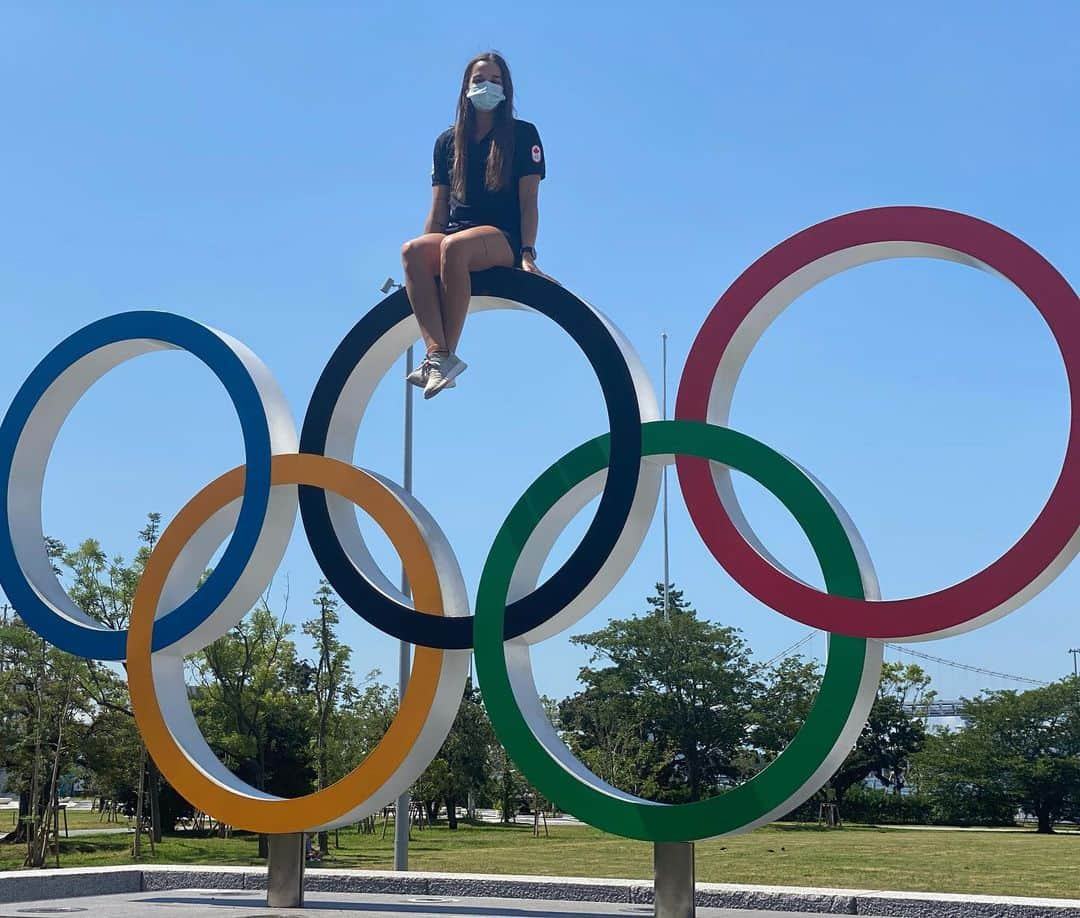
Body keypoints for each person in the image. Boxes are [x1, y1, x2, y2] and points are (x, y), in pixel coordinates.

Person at [400, 51, 547, 399]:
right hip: (455, 232)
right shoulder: (447, 142)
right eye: (479, 79)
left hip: (502, 237)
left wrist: (527, 252)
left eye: (495, 80)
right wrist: (426, 257)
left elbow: (529, 202)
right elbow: (438, 208)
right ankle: (436, 354)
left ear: (506, 89)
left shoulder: (524, 135)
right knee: (412, 251)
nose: (487, 86)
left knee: (454, 247)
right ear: (466, 88)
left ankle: (445, 358)